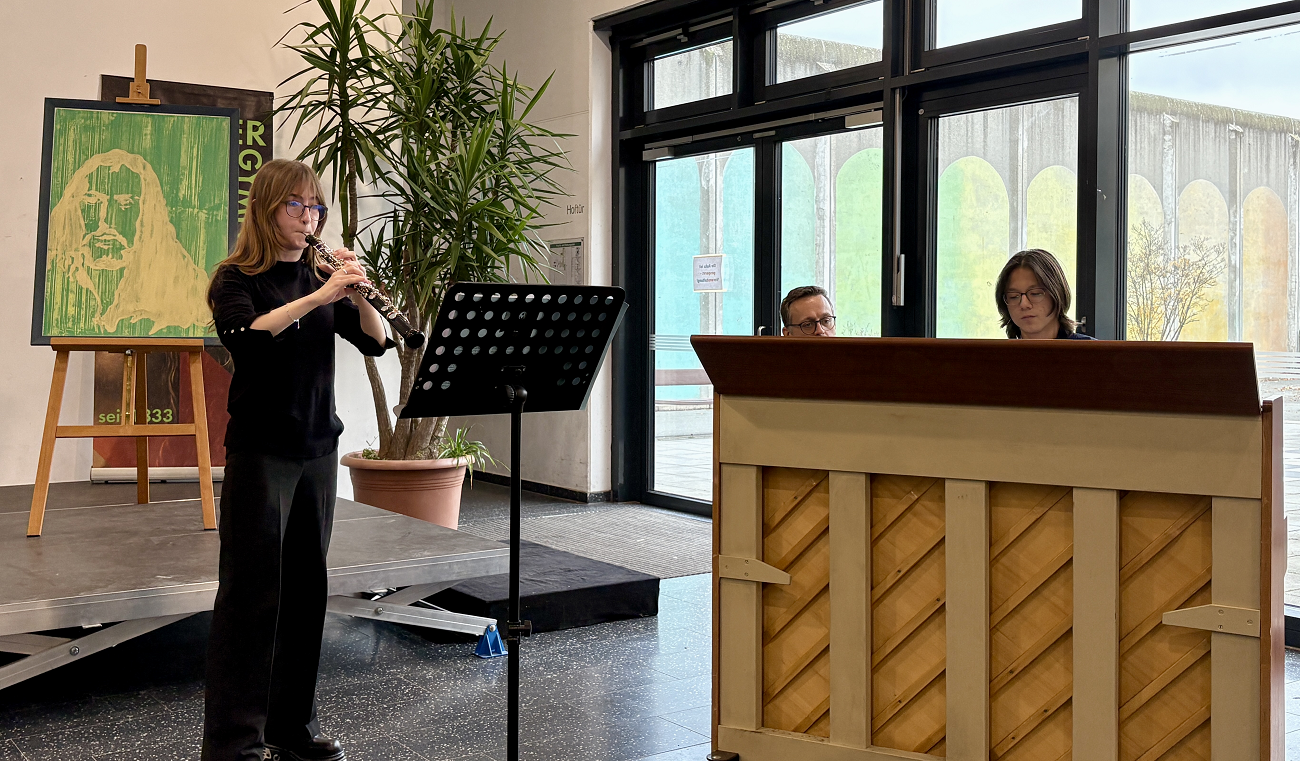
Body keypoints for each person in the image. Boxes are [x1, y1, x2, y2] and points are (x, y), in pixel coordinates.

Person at [202, 159, 393, 761]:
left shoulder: (321, 275)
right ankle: (234, 743)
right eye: (297, 205)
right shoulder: (236, 277)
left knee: (307, 593)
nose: (309, 217)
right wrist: (320, 296)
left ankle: (291, 728)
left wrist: (357, 293)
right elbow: (248, 338)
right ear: (267, 207)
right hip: (262, 449)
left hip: (318, 449)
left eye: (315, 207)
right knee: (250, 594)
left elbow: (378, 341)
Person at [45, 148, 210, 335]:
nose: (105, 221)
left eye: (125, 204)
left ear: (148, 213)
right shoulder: (54, 281)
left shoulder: (186, 292)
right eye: (93, 202)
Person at [994, 249, 1095, 340]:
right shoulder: (996, 354)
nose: (1024, 304)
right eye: (1013, 297)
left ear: (1057, 294)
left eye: (1035, 294)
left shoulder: (1093, 351)